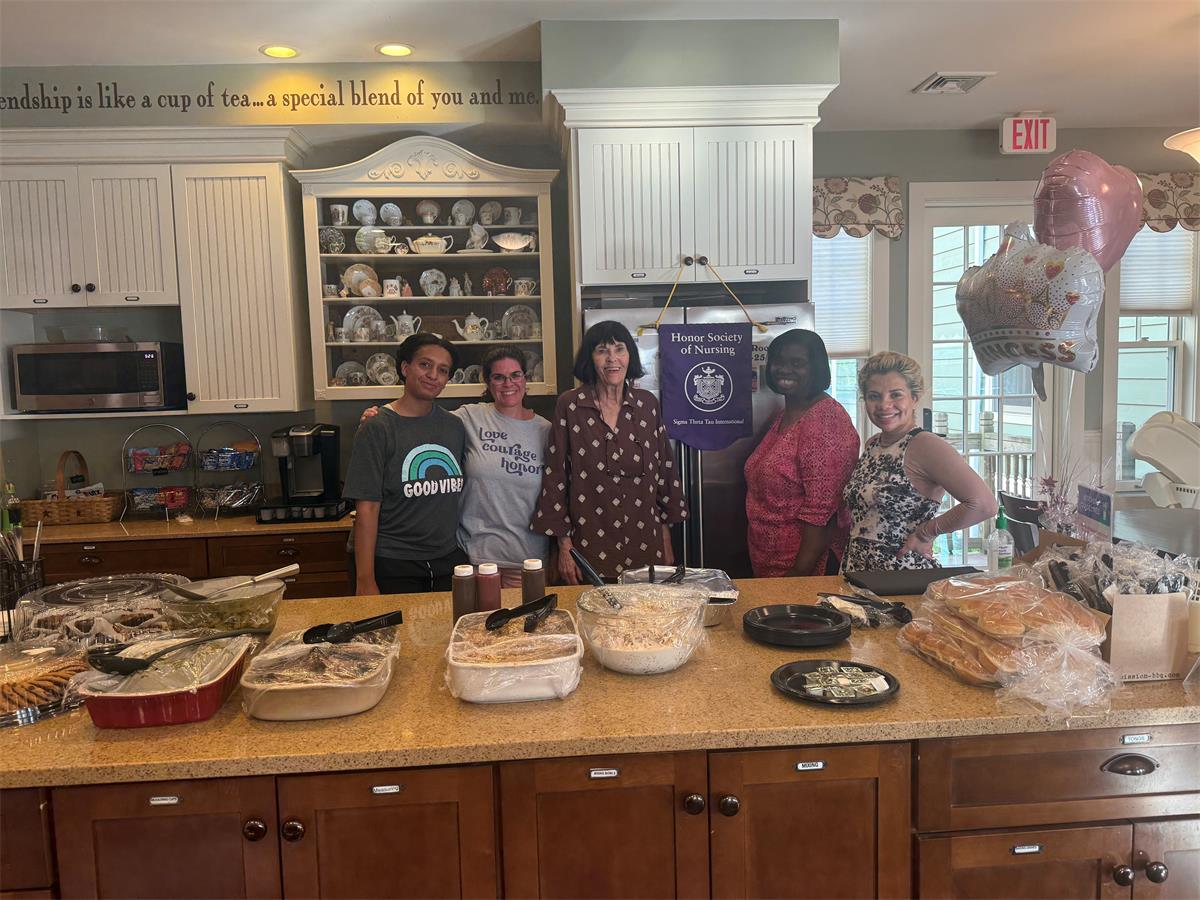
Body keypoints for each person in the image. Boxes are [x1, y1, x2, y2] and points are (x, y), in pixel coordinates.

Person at [359, 347, 551, 588]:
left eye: (515, 375)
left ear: (525, 378)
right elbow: (417, 420)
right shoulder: (468, 417)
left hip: (527, 562)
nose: (508, 383)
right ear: (488, 382)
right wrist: (376, 419)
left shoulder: (546, 431)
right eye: (498, 377)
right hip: (472, 560)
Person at [533, 320, 687, 583]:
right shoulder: (570, 406)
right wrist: (564, 546)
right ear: (590, 359)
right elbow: (555, 476)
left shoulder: (647, 405)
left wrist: (665, 538)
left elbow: (664, 472)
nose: (612, 359)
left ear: (630, 356)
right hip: (587, 546)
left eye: (619, 349)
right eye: (602, 350)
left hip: (645, 543)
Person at [842, 351, 998, 571]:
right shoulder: (873, 444)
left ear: (914, 398)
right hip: (857, 571)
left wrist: (927, 532)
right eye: (874, 396)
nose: (884, 405)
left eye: (896, 395)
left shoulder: (925, 445)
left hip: (901, 577)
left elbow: (984, 504)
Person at [343, 333, 467, 594]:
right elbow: (367, 511)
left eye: (442, 370)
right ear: (405, 367)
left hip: (446, 560)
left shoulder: (454, 427)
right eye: (425, 364)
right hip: (392, 563)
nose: (433, 375)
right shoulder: (378, 427)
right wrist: (365, 581)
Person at [744, 329, 860, 577]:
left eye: (797, 363)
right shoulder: (788, 414)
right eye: (779, 362)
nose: (784, 369)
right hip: (771, 560)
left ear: (816, 368)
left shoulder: (825, 419)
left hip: (803, 568)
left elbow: (823, 511)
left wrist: (798, 575)